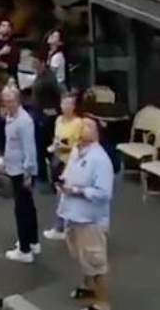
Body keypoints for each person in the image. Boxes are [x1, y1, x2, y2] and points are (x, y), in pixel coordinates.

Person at [56, 118, 114, 310]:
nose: (81, 128)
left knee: (96, 262)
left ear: (96, 133)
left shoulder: (100, 160)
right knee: (82, 256)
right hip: (72, 215)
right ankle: (88, 288)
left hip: (90, 220)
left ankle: (102, 303)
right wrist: (62, 181)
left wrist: (79, 191)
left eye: (87, 126)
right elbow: (69, 173)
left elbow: (104, 194)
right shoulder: (76, 151)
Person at [2, 86, 40, 263]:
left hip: (21, 170)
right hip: (13, 167)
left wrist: (28, 171)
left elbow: (29, 148)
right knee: (28, 206)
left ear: (18, 101)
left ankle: (25, 250)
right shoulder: (11, 116)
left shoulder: (24, 121)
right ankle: (32, 242)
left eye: (11, 101)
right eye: (6, 101)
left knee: (21, 209)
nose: (8, 104)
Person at [43, 94, 84, 240]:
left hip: (71, 163)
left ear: (74, 107)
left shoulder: (79, 123)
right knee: (60, 193)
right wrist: (55, 145)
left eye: (69, 104)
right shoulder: (59, 120)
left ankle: (60, 227)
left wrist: (66, 147)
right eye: (63, 104)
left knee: (64, 195)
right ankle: (66, 226)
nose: (66, 107)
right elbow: (56, 138)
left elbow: (80, 144)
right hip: (58, 159)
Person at [30, 56, 62, 187]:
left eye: (36, 63)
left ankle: (46, 174)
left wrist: (52, 110)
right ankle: (43, 173)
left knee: (42, 145)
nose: (34, 66)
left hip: (46, 116)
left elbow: (57, 95)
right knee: (41, 146)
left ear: (43, 63)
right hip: (39, 114)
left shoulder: (49, 78)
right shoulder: (40, 76)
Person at [45, 29, 68, 94]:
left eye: (55, 36)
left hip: (58, 86)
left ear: (60, 42)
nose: (51, 36)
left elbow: (51, 73)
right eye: (52, 34)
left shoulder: (57, 56)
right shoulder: (50, 53)